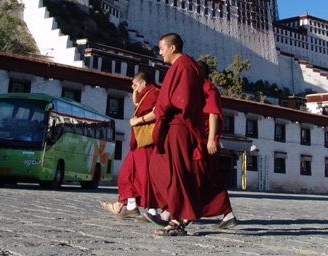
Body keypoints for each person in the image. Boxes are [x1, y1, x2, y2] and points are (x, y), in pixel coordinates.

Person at [146, 33, 206, 236]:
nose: (160, 53)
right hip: (172, 125)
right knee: (162, 169)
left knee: (177, 172)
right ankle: (175, 211)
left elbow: (183, 99)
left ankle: (178, 218)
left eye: (161, 48)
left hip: (178, 125)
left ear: (173, 48)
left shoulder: (184, 67)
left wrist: (160, 112)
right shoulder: (181, 67)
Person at [100, 71, 159, 220]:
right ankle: (131, 206)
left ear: (144, 83)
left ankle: (153, 211)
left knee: (145, 176)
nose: (135, 88)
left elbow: (158, 112)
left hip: (148, 143)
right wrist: (134, 90)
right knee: (127, 173)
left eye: (136, 85)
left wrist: (138, 121)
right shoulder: (146, 94)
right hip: (138, 143)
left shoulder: (155, 93)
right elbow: (137, 104)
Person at [195, 60, 239, 229]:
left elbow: (213, 114)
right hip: (197, 139)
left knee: (203, 176)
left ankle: (176, 213)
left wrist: (212, 139)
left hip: (206, 140)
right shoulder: (197, 89)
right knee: (208, 177)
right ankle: (227, 214)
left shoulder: (208, 88)